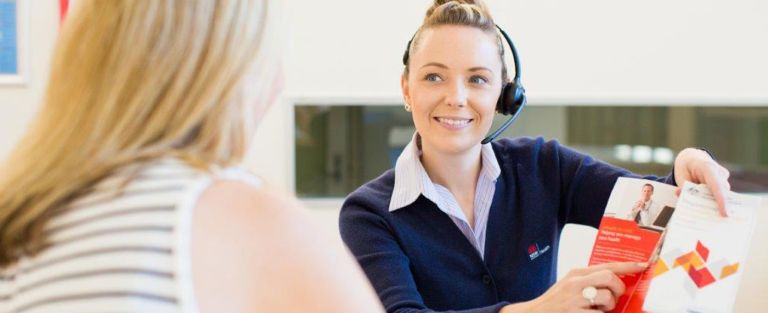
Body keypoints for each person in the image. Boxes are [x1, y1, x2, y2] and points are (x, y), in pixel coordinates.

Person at [338, 0, 732, 312]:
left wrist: (688, 168)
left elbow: (650, 203)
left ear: (504, 96)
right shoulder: (368, 214)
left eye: (477, 79)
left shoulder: (543, 166)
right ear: (407, 90)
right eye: (434, 77)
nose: (456, 97)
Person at [0, 1, 383, 312]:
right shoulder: (241, 221)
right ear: (227, 65)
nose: (277, 80)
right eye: (267, 55)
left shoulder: (20, 219)